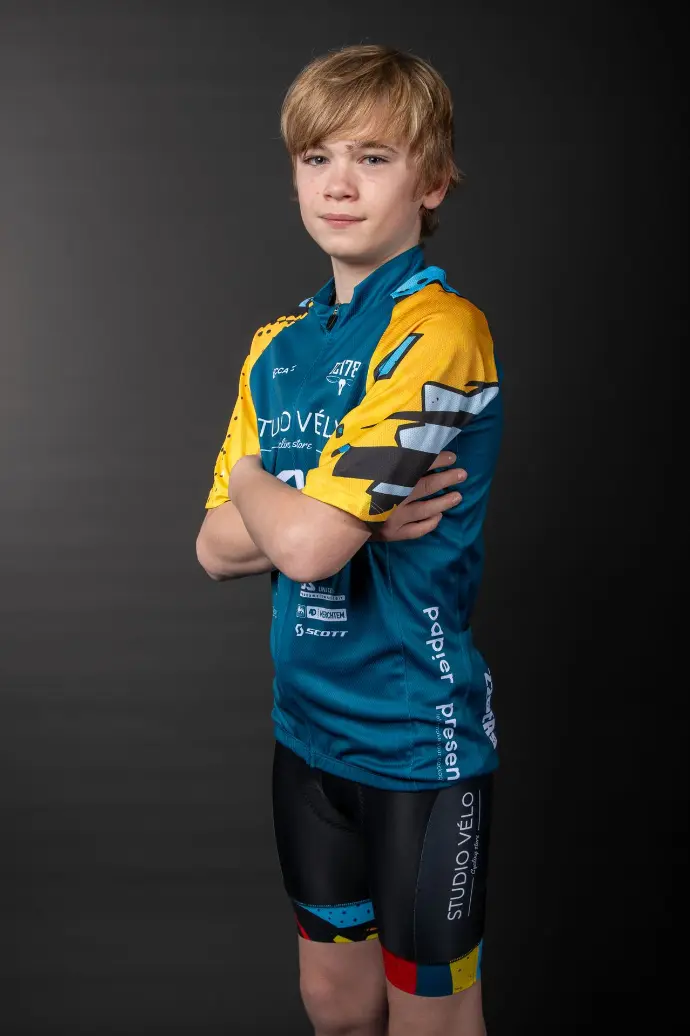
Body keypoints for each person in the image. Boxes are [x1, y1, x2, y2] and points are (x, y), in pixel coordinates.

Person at [196, 44, 502, 1036]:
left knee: (431, 1023)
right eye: (317, 157)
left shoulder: (441, 331)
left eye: (373, 157)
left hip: (418, 743)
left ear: (431, 180)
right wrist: (321, 510)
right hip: (305, 736)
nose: (338, 183)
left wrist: (271, 490)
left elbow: (308, 549)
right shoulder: (275, 349)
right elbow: (212, 548)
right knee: (334, 1006)